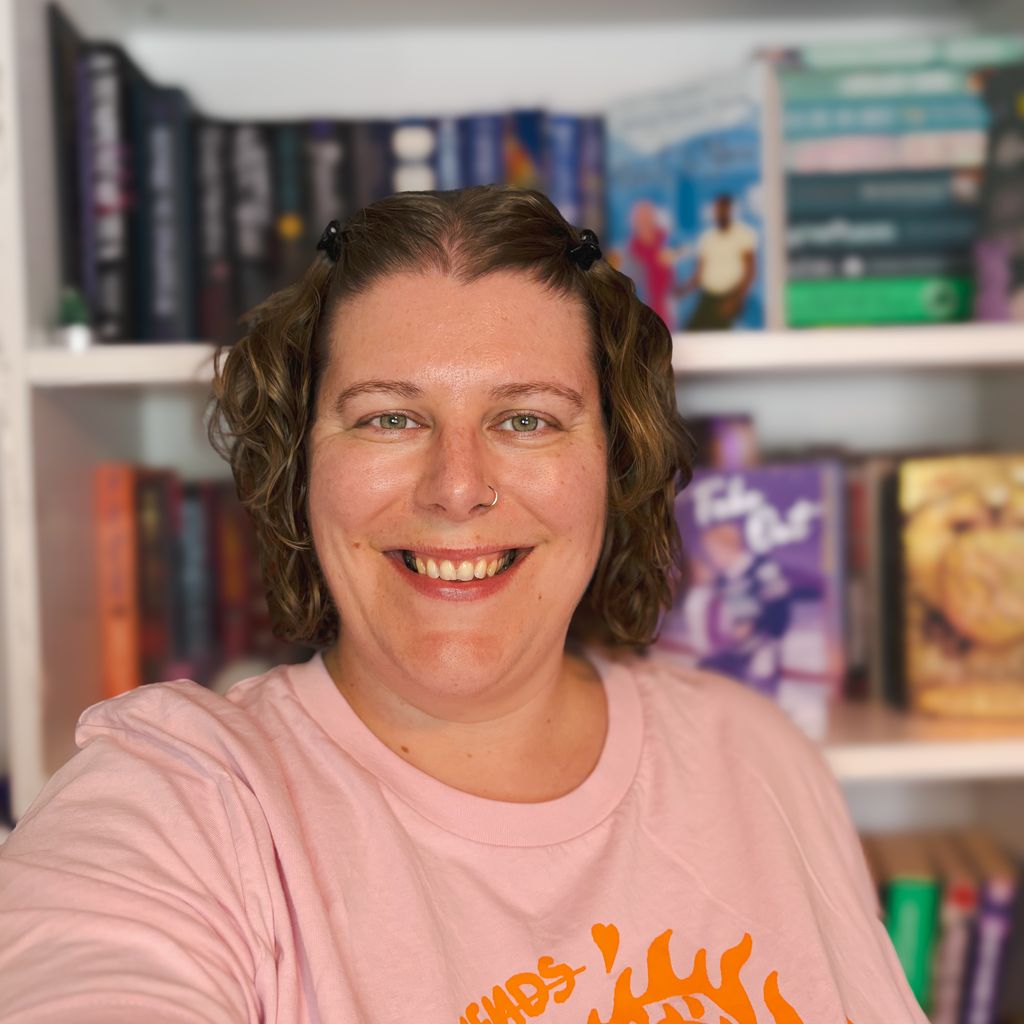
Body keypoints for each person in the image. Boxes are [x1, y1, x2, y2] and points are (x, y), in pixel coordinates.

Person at [0, 186, 923, 1024]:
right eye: (388, 417)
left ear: (616, 464)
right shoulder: (178, 796)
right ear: (299, 466)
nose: (457, 488)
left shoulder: (755, 752)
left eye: (526, 418)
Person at [677, 193, 758, 331]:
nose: (719, 213)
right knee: (690, 332)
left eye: (722, 209)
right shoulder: (707, 239)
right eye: (716, 210)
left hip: (730, 296)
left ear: (729, 210)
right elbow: (699, 274)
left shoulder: (743, 235)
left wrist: (736, 299)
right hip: (708, 296)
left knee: (720, 339)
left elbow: (750, 271)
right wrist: (683, 290)